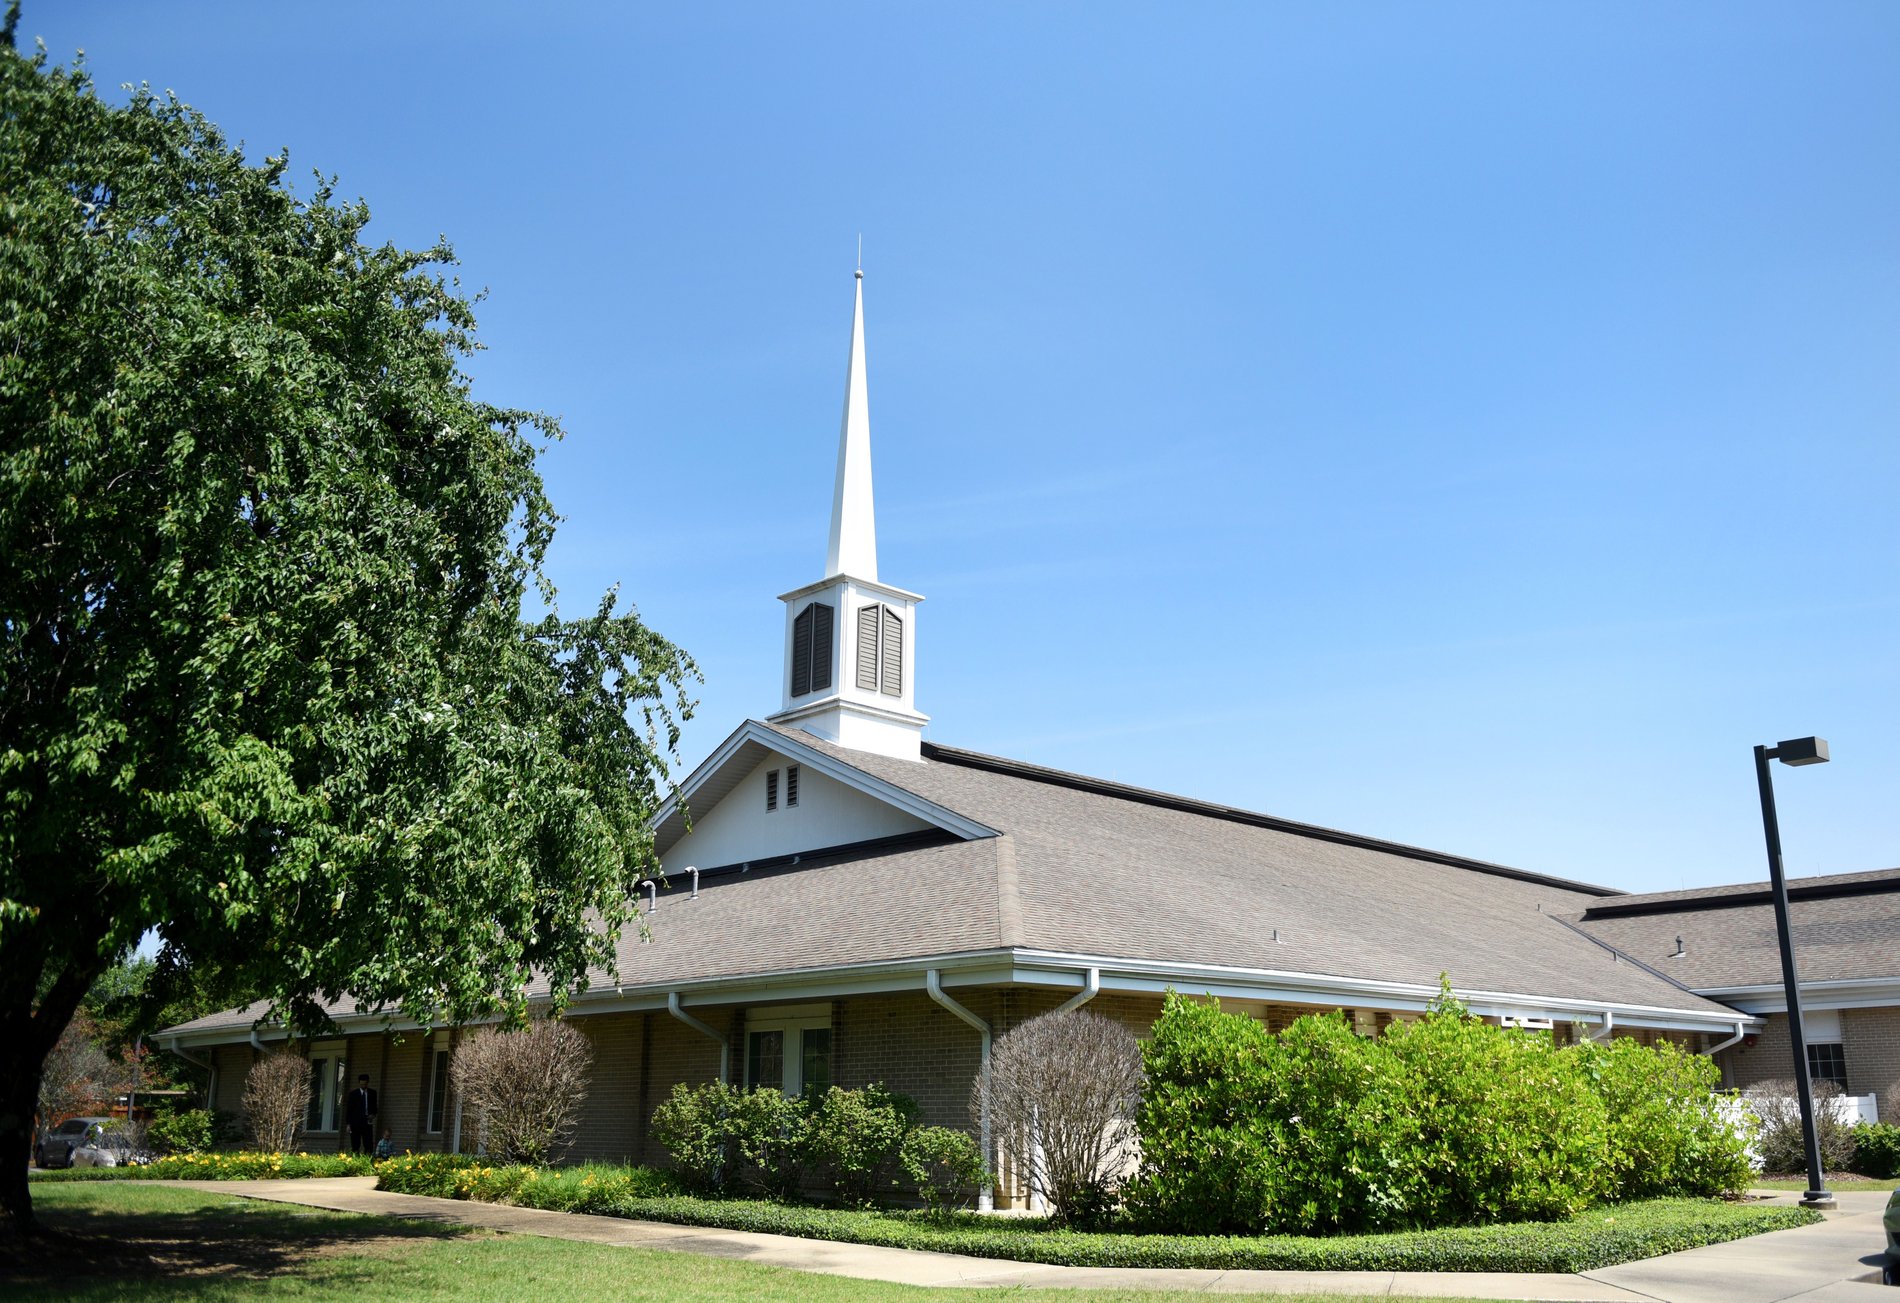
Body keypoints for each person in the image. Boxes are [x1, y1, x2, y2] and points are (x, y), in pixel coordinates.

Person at [344, 1074, 378, 1156]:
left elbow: (375, 1107)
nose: (363, 1086)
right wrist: (348, 1124)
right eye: (362, 1084)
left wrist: (373, 1114)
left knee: (368, 1143)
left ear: (368, 1083)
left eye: (365, 1084)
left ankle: (367, 1159)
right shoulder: (353, 1094)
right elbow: (349, 1110)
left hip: (367, 1121)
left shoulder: (372, 1093)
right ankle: (356, 1159)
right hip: (355, 1121)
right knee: (355, 1143)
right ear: (359, 1083)